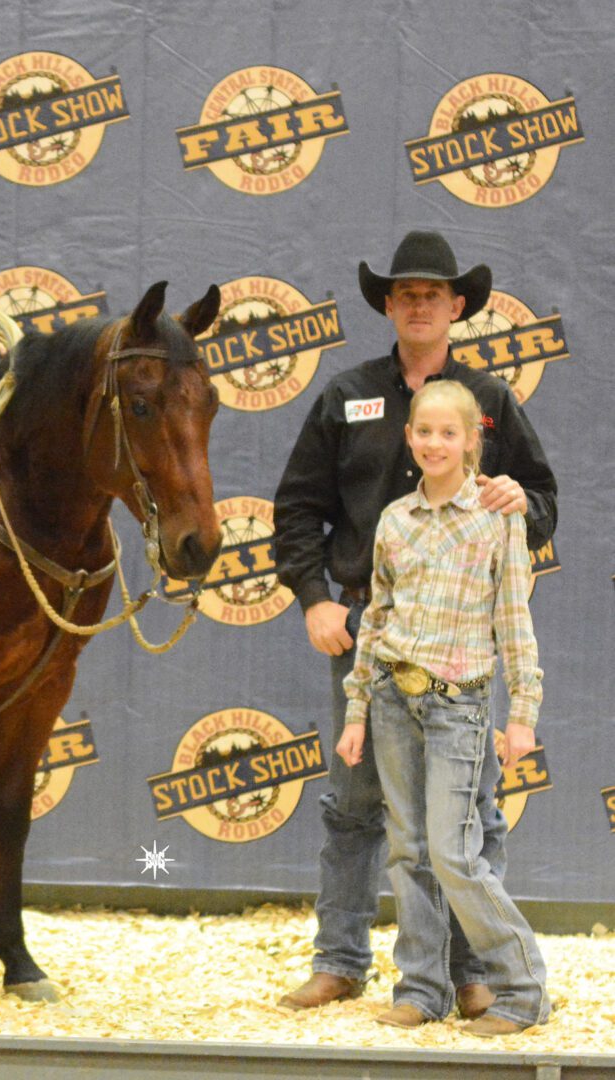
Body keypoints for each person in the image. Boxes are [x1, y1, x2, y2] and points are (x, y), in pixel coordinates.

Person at [273, 230, 557, 1015]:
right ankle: (342, 959)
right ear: (389, 306)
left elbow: (542, 502)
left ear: (457, 305)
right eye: (406, 294)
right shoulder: (346, 395)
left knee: (468, 816)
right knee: (355, 804)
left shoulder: (490, 399)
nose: (420, 304)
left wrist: (522, 503)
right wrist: (314, 597)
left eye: (433, 293)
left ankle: (471, 973)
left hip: (462, 641)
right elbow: (296, 507)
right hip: (370, 626)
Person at [336, 379, 549, 1036]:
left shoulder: (497, 517)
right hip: (392, 702)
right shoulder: (395, 520)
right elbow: (376, 618)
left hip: (459, 706)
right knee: (407, 850)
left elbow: (513, 618)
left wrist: (523, 712)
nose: (434, 443)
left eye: (448, 433)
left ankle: (522, 988)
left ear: (470, 440)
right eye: (424, 432)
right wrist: (356, 709)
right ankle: (421, 988)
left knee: (455, 853)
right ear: (408, 438)